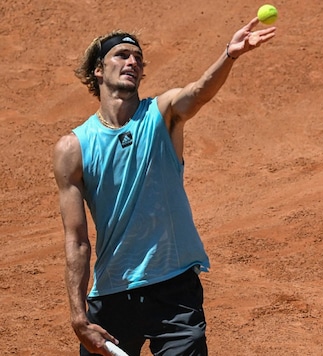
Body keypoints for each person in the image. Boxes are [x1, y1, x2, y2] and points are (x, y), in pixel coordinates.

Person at [53, 17, 276, 356]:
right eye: (122, 55)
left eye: (138, 58)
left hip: (175, 291)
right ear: (98, 70)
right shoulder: (73, 148)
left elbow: (197, 92)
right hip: (113, 294)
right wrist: (78, 317)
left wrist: (228, 56)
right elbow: (76, 240)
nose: (133, 62)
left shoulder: (161, 114)